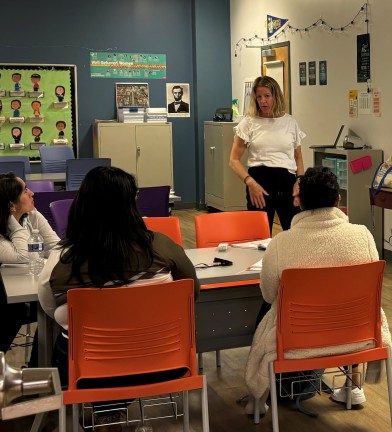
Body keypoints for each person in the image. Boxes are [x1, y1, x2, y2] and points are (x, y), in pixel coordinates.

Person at [37, 166, 200, 430]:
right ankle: (111, 411)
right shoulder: (162, 245)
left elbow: (47, 304)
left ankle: (103, 412)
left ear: (82, 205)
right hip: (164, 361)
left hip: (90, 373)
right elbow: (190, 292)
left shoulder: (63, 258)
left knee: (68, 335)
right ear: (131, 205)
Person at [244, 166, 392, 413]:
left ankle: (260, 399)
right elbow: (371, 291)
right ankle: (353, 387)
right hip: (355, 336)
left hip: (299, 339)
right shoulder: (363, 236)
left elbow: (269, 294)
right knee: (353, 303)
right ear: (338, 200)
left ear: (299, 204)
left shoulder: (282, 243)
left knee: (270, 311)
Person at [229, 75, 305, 232]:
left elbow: (298, 157)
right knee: (259, 236)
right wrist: (250, 182)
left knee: (294, 234)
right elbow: (234, 160)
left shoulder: (290, 122)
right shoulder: (248, 123)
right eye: (259, 97)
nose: (263, 101)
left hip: (287, 184)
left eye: (267, 96)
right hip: (259, 183)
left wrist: (300, 181)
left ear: (275, 96)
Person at [0, 173, 60, 356]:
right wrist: (14, 223)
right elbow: (23, 256)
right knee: (17, 311)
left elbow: (56, 246)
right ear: (11, 205)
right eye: (25, 191)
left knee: (56, 310)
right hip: (6, 298)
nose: (32, 193)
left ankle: (42, 364)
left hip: (28, 289)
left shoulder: (32, 215)